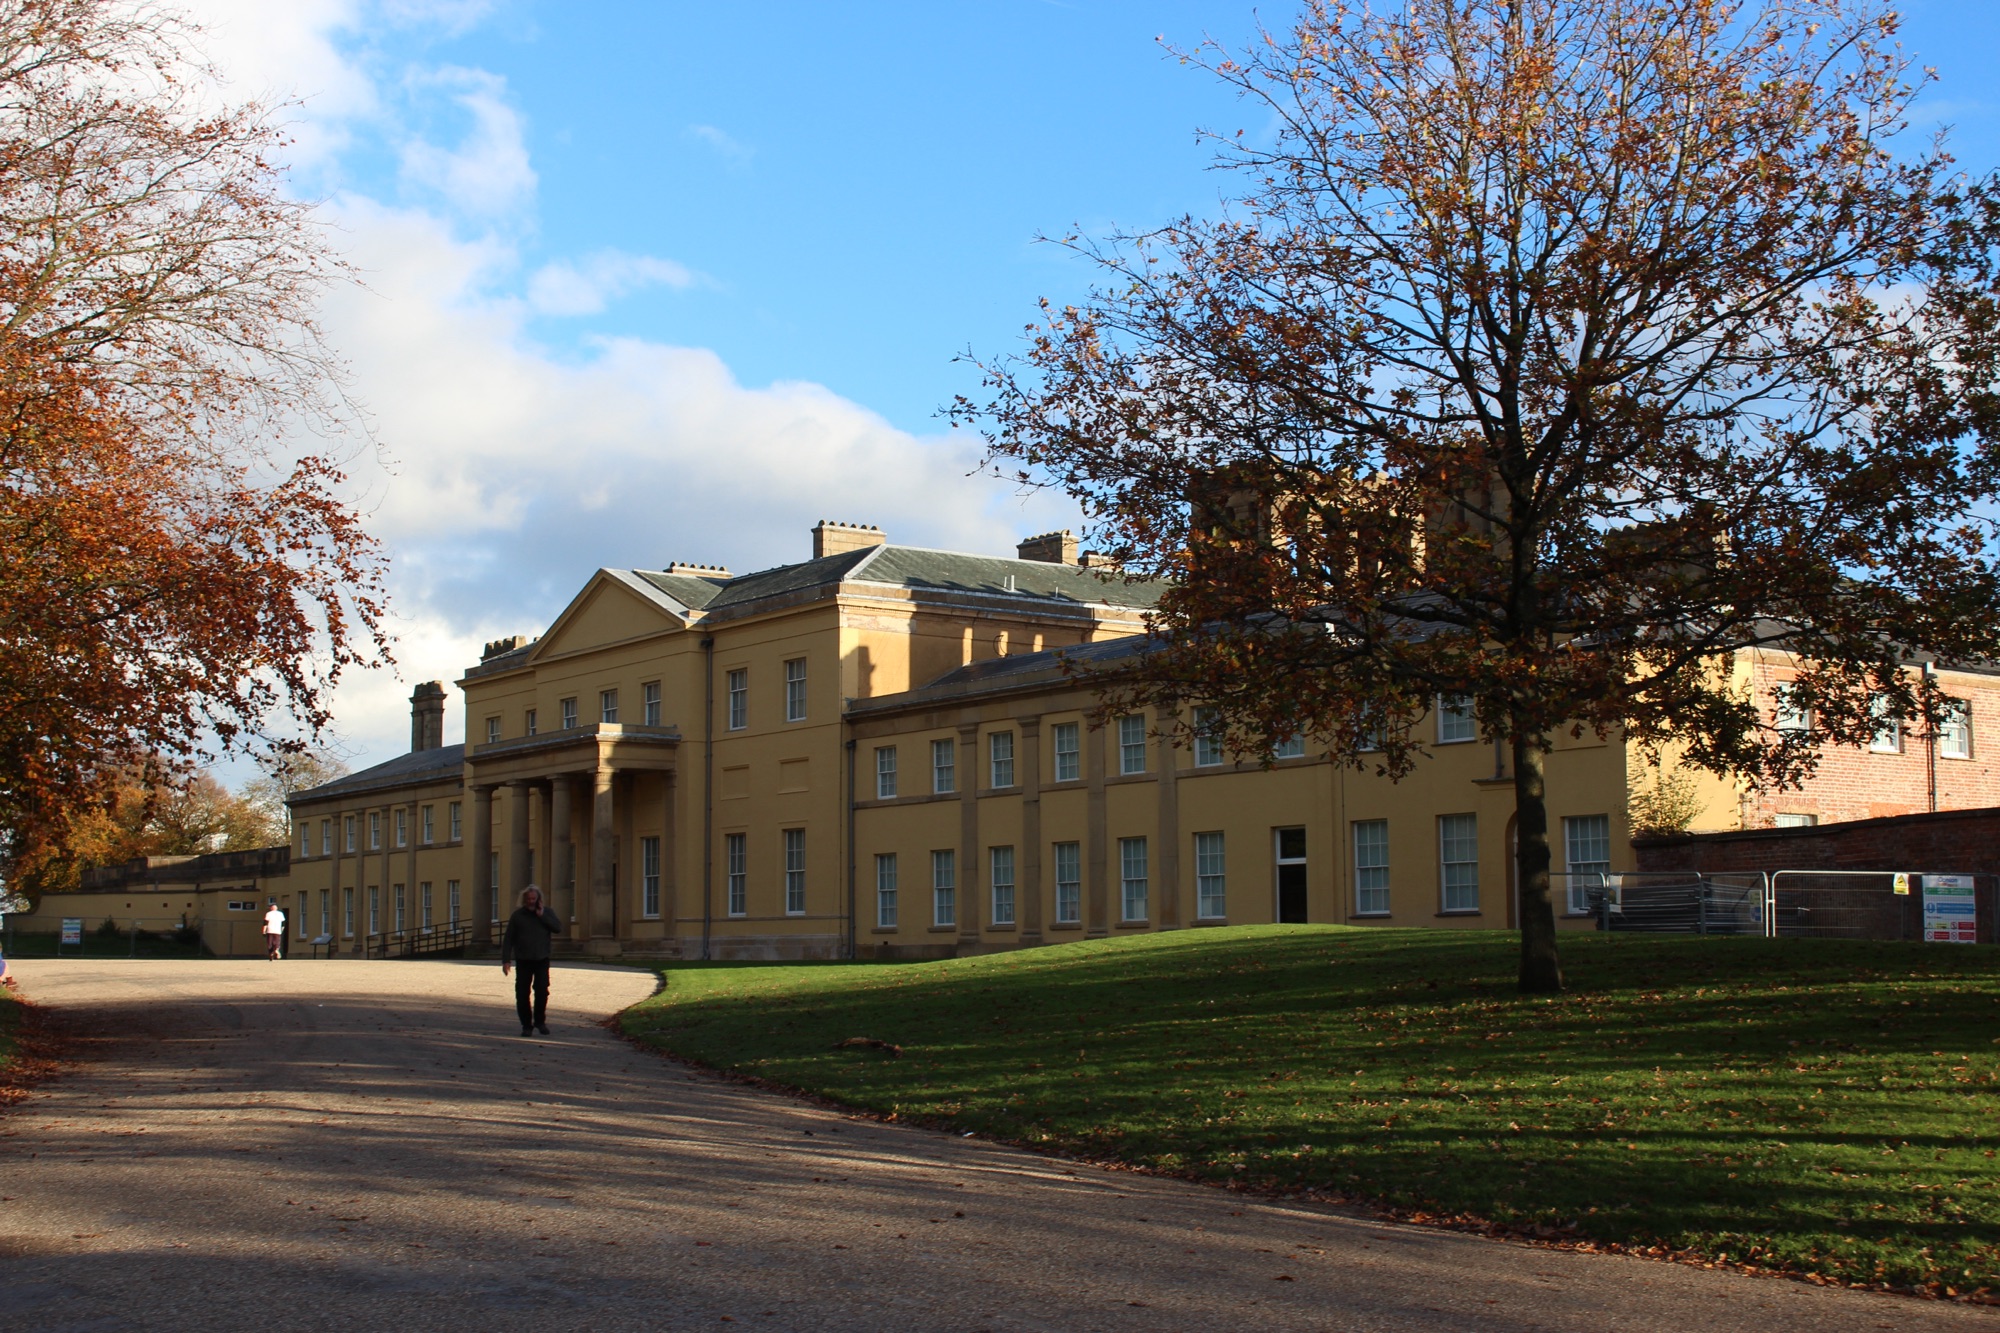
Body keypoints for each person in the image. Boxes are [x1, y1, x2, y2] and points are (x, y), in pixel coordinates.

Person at [500, 884, 562, 1036]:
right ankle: (526, 1025)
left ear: (539, 899)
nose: (531, 901)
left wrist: (542, 916)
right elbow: (509, 938)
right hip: (523, 959)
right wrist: (506, 960)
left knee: (542, 991)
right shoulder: (518, 916)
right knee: (522, 993)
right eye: (528, 899)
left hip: (541, 958)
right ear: (524, 900)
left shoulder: (547, 913)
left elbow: (557, 928)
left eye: (534, 899)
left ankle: (540, 1022)